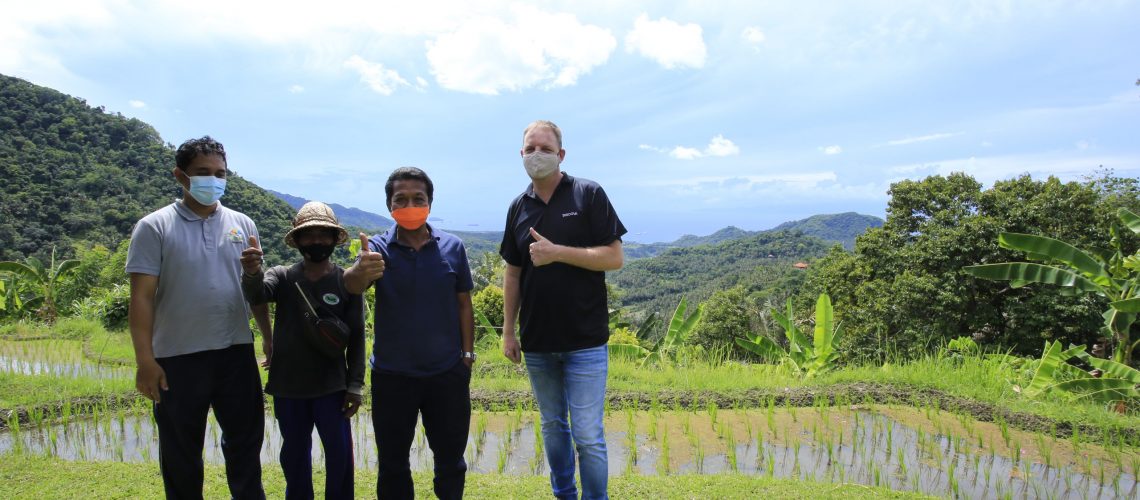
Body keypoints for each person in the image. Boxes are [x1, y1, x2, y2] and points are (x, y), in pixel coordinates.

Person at [126, 136, 267, 499]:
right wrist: (145, 361)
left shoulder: (243, 224)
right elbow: (141, 298)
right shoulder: (154, 226)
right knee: (180, 453)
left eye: (220, 173)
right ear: (180, 176)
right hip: (177, 358)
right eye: (202, 172)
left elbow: (255, 290)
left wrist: (268, 337)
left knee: (245, 447)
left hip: (235, 352)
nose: (213, 180)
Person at [499, 120, 626, 500]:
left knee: (588, 434)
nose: (537, 154)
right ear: (521, 155)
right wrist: (508, 330)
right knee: (553, 425)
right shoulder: (518, 207)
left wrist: (558, 253)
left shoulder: (588, 194)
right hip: (537, 342)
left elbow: (614, 257)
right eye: (529, 149)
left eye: (545, 148)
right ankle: (564, 494)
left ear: (561, 154)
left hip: (585, 341)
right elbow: (513, 272)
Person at [344, 167, 475, 500]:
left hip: (446, 374)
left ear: (430, 202)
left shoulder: (453, 247)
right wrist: (361, 269)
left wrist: (467, 357)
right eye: (401, 199)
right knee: (392, 465)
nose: (410, 204)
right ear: (390, 206)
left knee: (450, 463)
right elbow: (353, 285)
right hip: (392, 377)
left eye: (418, 198)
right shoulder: (376, 248)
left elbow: (464, 304)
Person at [240, 201, 366, 500]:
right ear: (296, 240)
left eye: (324, 234)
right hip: (289, 388)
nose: (317, 241)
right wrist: (252, 271)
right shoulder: (282, 276)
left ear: (336, 239)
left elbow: (358, 335)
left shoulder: (347, 280)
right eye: (309, 235)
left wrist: (356, 385)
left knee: (339, 456)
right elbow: (257, 293)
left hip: (332, 388)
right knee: (295, 457)